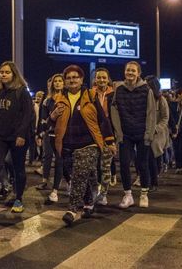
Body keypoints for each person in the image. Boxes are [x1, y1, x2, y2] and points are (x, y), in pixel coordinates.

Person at [54, 65, 115, 226]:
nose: (72, 80)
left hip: (89, 144)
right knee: (80, 175)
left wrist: (109, 141)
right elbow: (51, 122)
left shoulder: (91, 95)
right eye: (68, 78)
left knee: (80, 174)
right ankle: (89, 202)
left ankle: (72, 209)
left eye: (75, 77)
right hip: (66, 145)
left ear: (81, 80)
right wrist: (52, 117)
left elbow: (103, 120)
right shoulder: (59, 98)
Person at [0, 61, 33, 213]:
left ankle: (18, 198)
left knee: (18, 168)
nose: (4, 75)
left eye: (7, 72)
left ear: (14, 74)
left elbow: (28, 115)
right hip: (0, 136)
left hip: (17, 137)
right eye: (1, 72)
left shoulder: (22, 91)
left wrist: (21, 134)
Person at [111, 61, 156, 209]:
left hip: (142, 133)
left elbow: (151, 113)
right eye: (128, 70)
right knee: (124, 164)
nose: (130, 73)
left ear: (138, 73)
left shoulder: (146, 90)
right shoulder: (119, 89)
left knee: (142, 164)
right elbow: (114, 110)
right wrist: (118, 132)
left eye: (133, 71)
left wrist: (149, 134)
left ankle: (144, 194)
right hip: (125, 134)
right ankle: (128, 195)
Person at [36, 74, 65, 203]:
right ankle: (45, 181)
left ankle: (55, 190)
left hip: (63, 134)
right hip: (50, 133)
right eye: (55, 81)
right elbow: (42, 119)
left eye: (60, 81)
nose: (58, 83)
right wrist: (40, 133)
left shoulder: (67, 98)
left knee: (60, 161)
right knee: (47, 157)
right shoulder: (47, 101)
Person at [90, 67, 117, 205]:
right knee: (93, 166)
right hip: (93, 134)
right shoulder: (89, 94)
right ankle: (95, 191)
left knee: (105, 166)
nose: (101, 80)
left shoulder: (114, 94)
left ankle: (104, 195)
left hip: (109, 134)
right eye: (99, 77)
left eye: (104, 78)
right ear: (95, 79)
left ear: (108, 79)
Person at [144, 76, 170, 191]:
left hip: (157, 134)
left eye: (147, 85)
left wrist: (156, 128)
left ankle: (153, 182)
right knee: (148, 158)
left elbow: (165, 118)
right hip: (145, 132)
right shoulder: (143, 98)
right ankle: (149, 181)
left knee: (152, 156)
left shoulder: (161, 100)